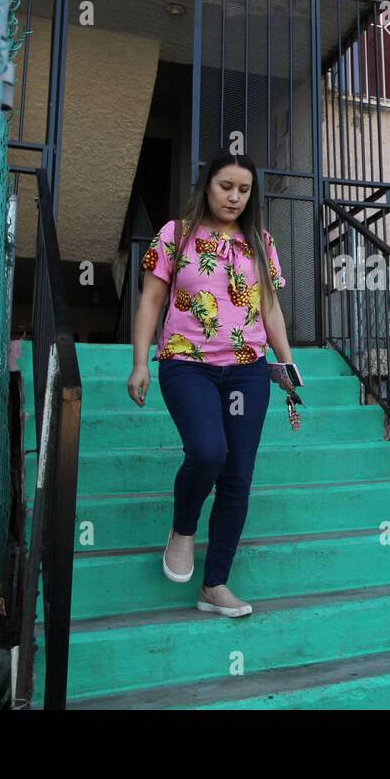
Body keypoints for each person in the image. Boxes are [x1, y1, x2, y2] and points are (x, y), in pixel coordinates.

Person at [126, 148, 295, 617]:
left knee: (238, 474)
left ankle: (215, 584)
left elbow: (271, 309)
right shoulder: (175, 236)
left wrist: (287, 364)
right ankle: (183, 530)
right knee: (208, 452)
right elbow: (151, 303)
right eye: (226, 186)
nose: (235, 197)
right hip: (187, 364)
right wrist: (140, 362)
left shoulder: (260, 241)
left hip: (247, 369)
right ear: (207, 186)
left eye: (244, 189)